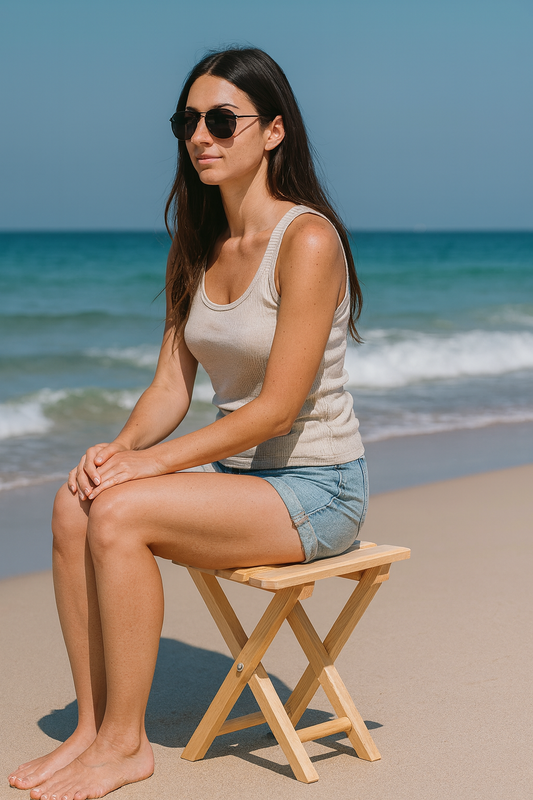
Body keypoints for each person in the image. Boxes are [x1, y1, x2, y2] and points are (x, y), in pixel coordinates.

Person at [8, 47, 368, 800]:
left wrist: (152, 466)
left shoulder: (307, 240)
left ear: (273, 131)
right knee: (76, 502)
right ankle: (91, 729)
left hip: (318, 488)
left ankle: (125, 745)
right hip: (242, 482)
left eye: (221, 121)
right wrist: (118, 449)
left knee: (121, 512)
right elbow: (170, 386)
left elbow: (276, 407)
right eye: (187, 122)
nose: (201, 136)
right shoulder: (198, 245)